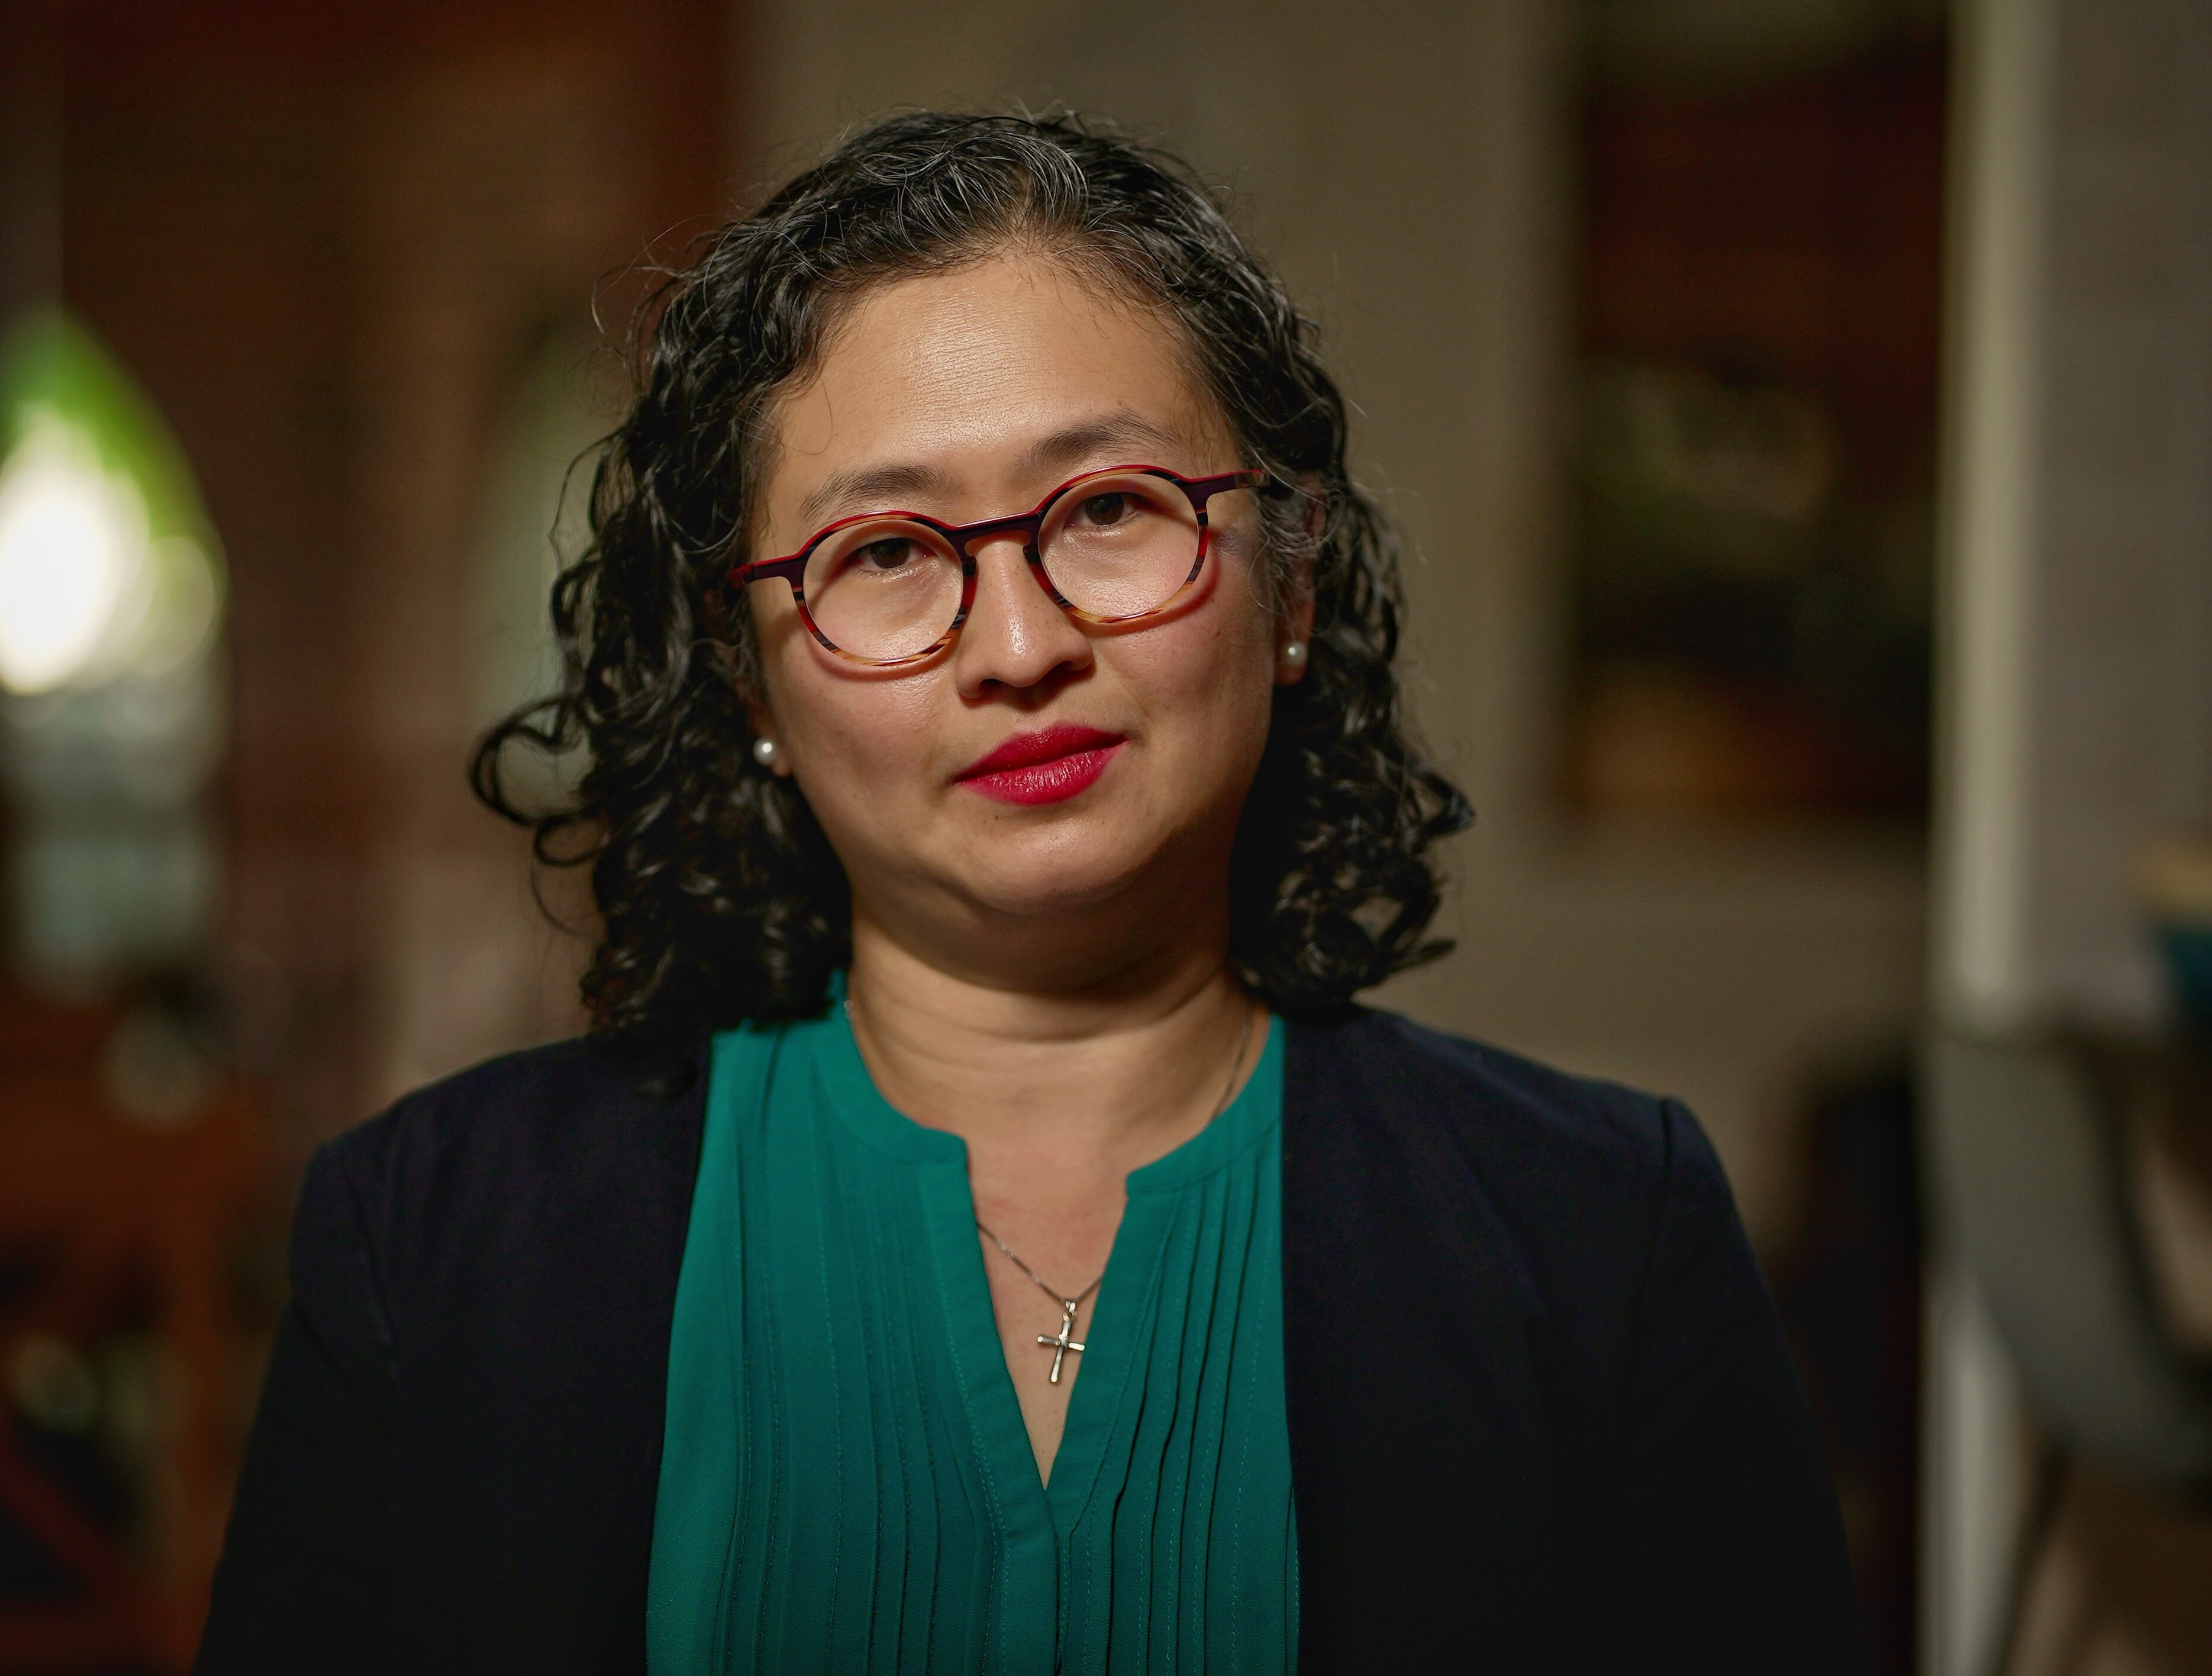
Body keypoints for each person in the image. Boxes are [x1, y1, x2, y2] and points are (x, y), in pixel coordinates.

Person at [195, 111, 1862, 1674]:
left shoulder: (1602, 1234)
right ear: (753, 680)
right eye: (888, 553)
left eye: (1114, 510)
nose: (1020, 646)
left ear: (1291, 582)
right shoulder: (427, 1242)